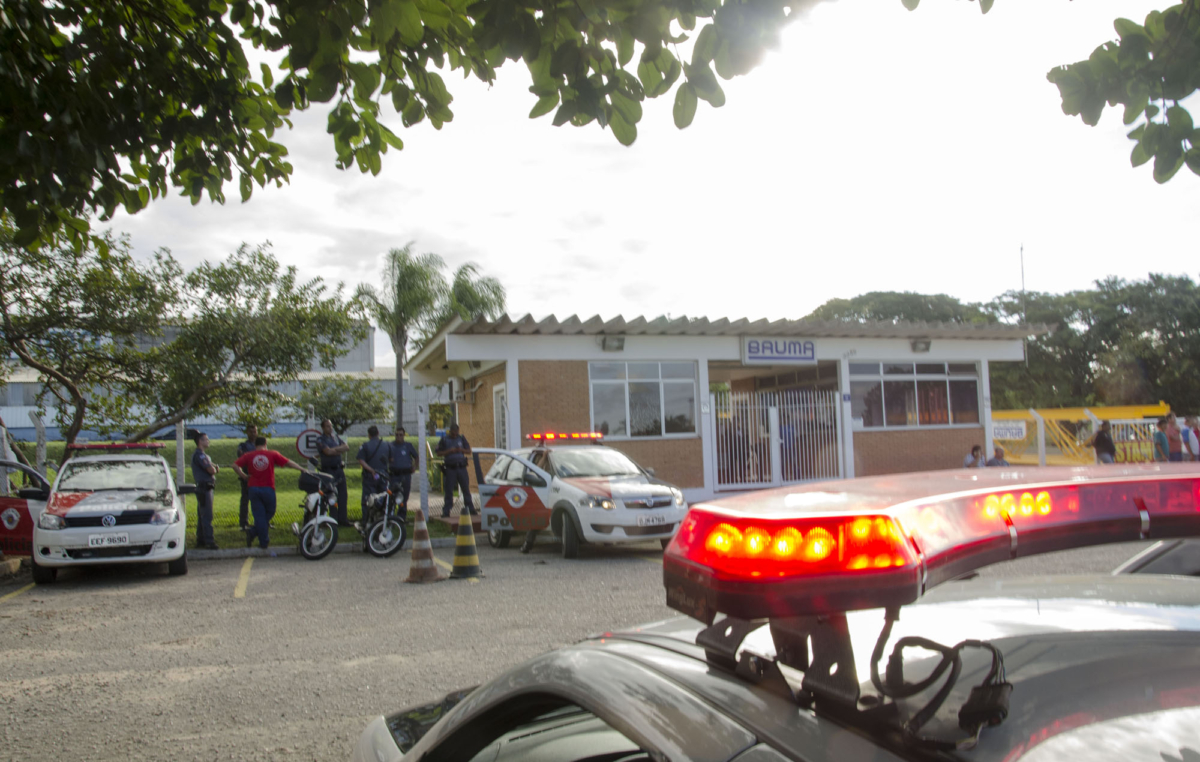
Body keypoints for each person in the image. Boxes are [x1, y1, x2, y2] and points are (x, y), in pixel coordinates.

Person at [232, 436, 307, 549]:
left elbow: (235, 465)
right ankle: (263, 542)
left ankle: (253, 532)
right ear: (266, 444)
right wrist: (301, 469)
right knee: (270, 512)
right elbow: (288, 462)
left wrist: (244, 476)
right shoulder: (272, 454)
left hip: (253, 488)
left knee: (259, 515)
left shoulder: (248, 455)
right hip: (268, 488)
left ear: (255, 445)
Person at [316, 418, 351, 526]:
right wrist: (337, 450)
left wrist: (334, 450)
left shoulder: (335, 437)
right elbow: (328, 452)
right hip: (328, 471)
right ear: (323, 428)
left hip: (339, 470)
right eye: (327, 426)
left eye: (331, 426)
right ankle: (333, 520)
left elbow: (346, 447)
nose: (330, 428)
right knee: (331, 495)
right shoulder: (320, 440)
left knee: (343, 495)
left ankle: (343, 520)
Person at [436, 423, 475, 518]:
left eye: (456, 433)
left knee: (466, 489)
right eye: (453, 433)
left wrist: (460, 450)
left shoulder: (461, 438)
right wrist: (449, 451)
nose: (455, 435)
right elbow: (438, 453)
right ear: (450, 431)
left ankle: (470, 508)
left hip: (461, 467)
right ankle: (446, 510)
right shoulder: (444, 440)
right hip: (450, 468)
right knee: (449, 490)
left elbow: (468, 451)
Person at [190, 432, 219, 549]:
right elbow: (211, 470)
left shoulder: (201, 455)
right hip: (204, 487)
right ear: (200, 441)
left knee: (202, 514)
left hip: (204, 487)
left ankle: (201, 539)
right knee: (207, 515)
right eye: (206, 439)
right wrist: (216, 469)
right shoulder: (200, 455)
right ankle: (209, 540)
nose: (208, 441)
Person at [356, 425, 389, 521]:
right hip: (383, 476)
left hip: (370, 476)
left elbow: (361, 460)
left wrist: (371, 470)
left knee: (368, 500)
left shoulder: (365, 446)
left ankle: (367, 520)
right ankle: (383, 520)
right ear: (378, 433)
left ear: (369, 435)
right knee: (383, 499)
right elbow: (391, 459)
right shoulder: (386, 445)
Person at [385, 426, 420, 516]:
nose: (398, 437)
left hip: (405, 475)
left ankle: (401, 517)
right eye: (397, 435)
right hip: (394, 475)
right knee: (392, 495)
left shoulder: (408, 446)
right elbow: (385, 458)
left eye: (400, 435)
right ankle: (390, 515)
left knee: (404, 496)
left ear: (404, 435)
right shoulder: (390, 445)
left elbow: (416, 457)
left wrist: (415, 467)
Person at [235, 424, 258, 530]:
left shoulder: (260, 444)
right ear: (247, 432)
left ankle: (261, 521)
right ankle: (243, 523)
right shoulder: (243, 445)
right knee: (245, 500)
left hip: (259, 476)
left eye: (255, 431)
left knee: (260, 500)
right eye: (251, 431)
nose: (253, 433)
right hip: (248, 476)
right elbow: (241, 457)